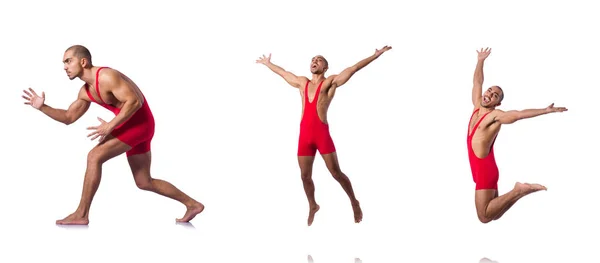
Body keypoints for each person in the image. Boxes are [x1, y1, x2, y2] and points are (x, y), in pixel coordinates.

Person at [22, 45, 205, 225]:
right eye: (64, 63)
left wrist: (110, 126)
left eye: (68, 61)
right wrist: (42, 107)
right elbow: (69, 117)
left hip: (139, 124)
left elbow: (135, 101)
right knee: (144, 181)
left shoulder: (107, 76)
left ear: (83, 61)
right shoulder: (86, 91)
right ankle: (192, 204)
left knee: (94, 156)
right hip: (136, 126)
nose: (65, 67)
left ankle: (81, 213)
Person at [256, 46, 392, 226]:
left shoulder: (330, 82)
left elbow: (353, 69)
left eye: (319, 59)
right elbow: (283, 73)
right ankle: (313, 205)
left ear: (325, 67)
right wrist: (268, 64)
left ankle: (354, 201)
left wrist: (375, 56)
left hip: (321, 134)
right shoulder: (302, 82)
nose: (314, 61)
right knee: (305, 176)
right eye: (313, 59)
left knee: (336, 173)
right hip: (304, 136)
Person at [467, 47, 567, 223]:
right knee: (493, 215)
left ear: (498, 102)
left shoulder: (494, 116)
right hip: (480, 169)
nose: (489, 94)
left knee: (484, 216)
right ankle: (520, 191)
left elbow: (518, 114)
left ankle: (518, 190)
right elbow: (477, 82)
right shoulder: (476, 106)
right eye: (490, 91)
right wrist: (481, 60)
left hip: (484, 171)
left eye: (495, 95)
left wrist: (545, 110)